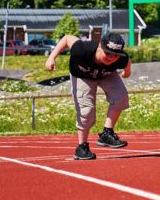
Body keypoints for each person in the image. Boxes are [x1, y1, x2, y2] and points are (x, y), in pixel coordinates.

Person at [45, 32, 132, 160]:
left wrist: (126, 72)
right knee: (86, 110)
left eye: (115, 55)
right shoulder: (83, 49)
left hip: (105, 74)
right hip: (82, 76)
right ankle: (82, 147)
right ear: (99, 47)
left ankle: (107, 133)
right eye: (107, 53)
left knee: (121, 97)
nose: (111, 57)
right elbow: (67, 38)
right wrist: (52, 57)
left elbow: (127, 63)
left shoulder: (121, 58)